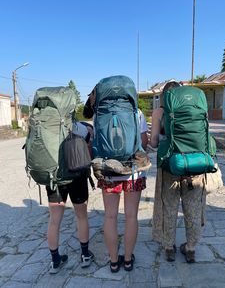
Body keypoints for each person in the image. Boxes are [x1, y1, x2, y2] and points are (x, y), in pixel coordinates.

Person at [83, 89, 149, 272]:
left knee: (110, 216)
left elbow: (97, 141)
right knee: (131, 216)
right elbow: (143, 141)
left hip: (108, 171)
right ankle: (127, 260)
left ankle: (113, 262)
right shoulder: (137, 111)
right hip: (133, 171)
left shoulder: (99, 113)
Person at [150, 81, 206, 263]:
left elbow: (154, 143)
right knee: (193, 208)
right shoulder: (195, 107)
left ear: (165, 96)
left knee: (169, 206)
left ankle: (169, 247)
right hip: (195, 165)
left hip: (170, 166)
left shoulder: (160, 112)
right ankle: (190, 248)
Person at [47, 121, 94, 274]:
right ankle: (85, 255)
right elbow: (89, 138)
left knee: (54, 220)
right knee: (81, 216)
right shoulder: (75, 125)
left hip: (54, 178)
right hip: (76, 176)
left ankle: (55, 261)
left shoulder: (45, 123)